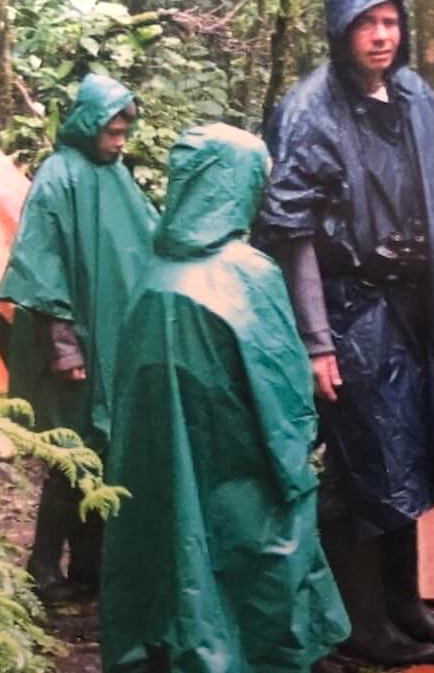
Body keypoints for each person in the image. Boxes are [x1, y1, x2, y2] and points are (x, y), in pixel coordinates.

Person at [254, 0, 434, 666]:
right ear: (341, 30)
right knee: (365, 468)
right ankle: (362, 626)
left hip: (417, 310)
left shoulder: (414, 95)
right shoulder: (311, 111)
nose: (382, 35)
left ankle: (406, 603)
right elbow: (289, 232)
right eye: (367, 23)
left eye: (391, 22)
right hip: (352, 310)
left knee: (411, 455)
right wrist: (317, 341)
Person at [100, 123, 350, 673]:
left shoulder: (152, 274)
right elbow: (282, 390)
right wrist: (297, 461)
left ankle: (168, 646)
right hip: (239, 471)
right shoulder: (248, 275)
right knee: (259, 552)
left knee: (176, 547)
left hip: (162, 470)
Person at [0, 73, 159, 603]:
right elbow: (40, 269)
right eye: (111, 132)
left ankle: (91, 566)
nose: (119, 142)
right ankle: (42, 568)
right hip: (71, 346)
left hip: (113, 340)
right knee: (73, 457)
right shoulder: (58, 178)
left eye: (123, 133)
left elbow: (144, 245)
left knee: (106, 455)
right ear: (89, 126)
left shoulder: (117, 178)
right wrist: (65, 347)